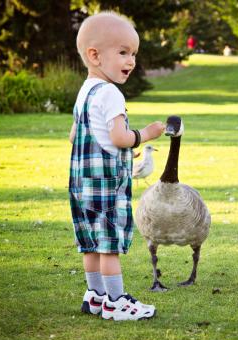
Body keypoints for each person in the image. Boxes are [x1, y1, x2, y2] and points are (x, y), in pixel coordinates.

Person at [69, 12, 165, 321]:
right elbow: (120, 137)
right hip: (106, 186)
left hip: (81, 185)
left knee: (91, 244)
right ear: (94, 55)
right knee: (109, 245)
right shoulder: (110, 93)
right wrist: (145, 135)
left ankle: (94, 296)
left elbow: (77, 135)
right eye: (123, 52)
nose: (131, 60)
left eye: (134, 53)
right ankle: (116, 302)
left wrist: (118, 150)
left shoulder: (85, 92)